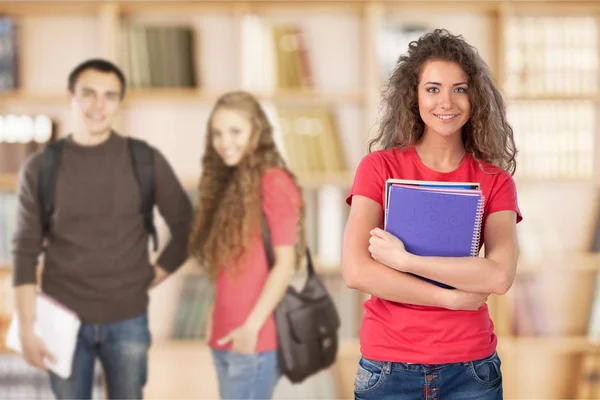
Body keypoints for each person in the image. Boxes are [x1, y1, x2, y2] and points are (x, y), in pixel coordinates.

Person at [342, 29, 522, 400]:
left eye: (460, 88)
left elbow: (499, 276)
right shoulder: (378, 168)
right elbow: (357, 270)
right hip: (388, 367)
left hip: (470, 369)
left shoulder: (494, 180)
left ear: (476, 97)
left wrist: (404, 260)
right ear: (414, 96)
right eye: (433, 88)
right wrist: (450, 297)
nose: (447, 102)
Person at [12, 58, 193, 399]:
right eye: (89, 93)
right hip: (62, 321)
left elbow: (187, 228)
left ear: (119, 103)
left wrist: (149, 276)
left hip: (127, 320)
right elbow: (24, 250)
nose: (99, 105)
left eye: (110, 96)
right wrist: (26, 327)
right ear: (72, 97)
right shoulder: (40, 167)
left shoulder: (145, 159)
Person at [188, 91, 305, 400]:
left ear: (257, 132)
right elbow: (234, 264)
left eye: (235, 131)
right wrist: (216, 313)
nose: (225, 141)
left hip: (253, 340)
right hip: (224, 337)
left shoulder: (274, 182)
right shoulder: (230, 184)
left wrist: (250, 328)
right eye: (218, 133)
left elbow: (285, 264)